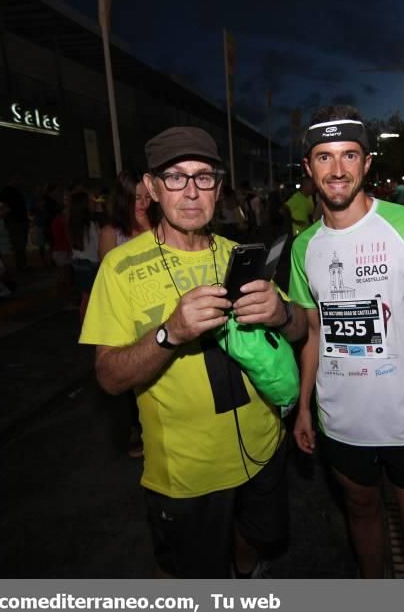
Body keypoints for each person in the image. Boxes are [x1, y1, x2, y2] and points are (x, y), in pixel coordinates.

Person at [80, 126, 306, 578]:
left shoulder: (240, 253)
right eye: (175, 177)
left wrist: (282, 311)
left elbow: (301, 328)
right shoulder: (119, 268)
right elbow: (108, 377)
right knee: (190, 572)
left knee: (254, 544)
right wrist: (170, 333)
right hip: (186, 474)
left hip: (263, 451)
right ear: (150, 188)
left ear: (218, 188)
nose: (190, 192)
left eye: (203, 178)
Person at [289, 106, 404, 578]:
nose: (337, 169)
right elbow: (312, 332)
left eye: (349, 154)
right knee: (363, 518)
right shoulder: (304, 246)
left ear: (367, 162)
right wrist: (304, 406)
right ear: (308, 168)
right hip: (341, 423)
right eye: (324, 157)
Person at [99, 169, 157, 459]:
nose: (143, 203)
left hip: (157, 311)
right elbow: (107, 281)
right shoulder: (112, 233)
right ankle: (137, 431)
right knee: (131, 379)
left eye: (148, 196)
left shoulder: (160, 226)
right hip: (128, 317)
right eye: (136, 198)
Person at [68, 191, 100, 318]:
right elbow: (98, 248)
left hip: (78, 264)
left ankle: (85, 329)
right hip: (91, 266)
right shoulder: (91, 225)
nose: (94, 202)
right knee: (92, 300)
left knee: (85, 299)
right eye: (90, 201)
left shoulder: (73, 224)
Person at [0, 181, 30, 272]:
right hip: (16, 222)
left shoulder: (12, 192)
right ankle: (21, 265)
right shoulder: (8, 192)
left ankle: (22, 265)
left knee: (20, 245)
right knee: (19, 245)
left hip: (18, 221)